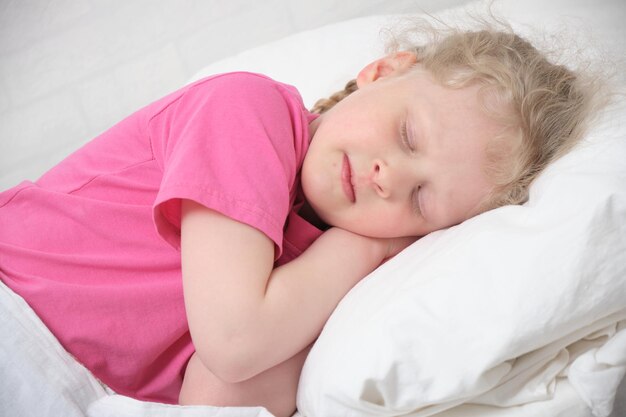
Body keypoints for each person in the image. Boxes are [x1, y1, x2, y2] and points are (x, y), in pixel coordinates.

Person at [0, 19, 599, 417]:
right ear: (382, 72)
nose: (388, 176)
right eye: (407, 135)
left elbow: (216, 394)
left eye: (421, 200)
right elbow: (235, 341)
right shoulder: (250, 110)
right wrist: (360, 252)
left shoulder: (316, 287)